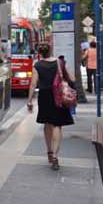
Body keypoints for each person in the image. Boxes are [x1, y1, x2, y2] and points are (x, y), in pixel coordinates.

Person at [27, 42, 74, 170]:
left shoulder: (37, 65)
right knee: (57, 125)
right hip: (58, 95)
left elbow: (33, 84)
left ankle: (49, 152)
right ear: (51, 50)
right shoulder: (61, 62)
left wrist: (30, 101)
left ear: (40, 53)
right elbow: (72, 78)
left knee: (47, 123)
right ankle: (54, 155)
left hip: (45, 96)